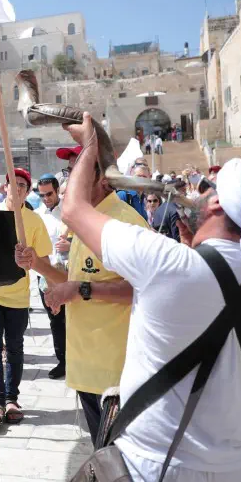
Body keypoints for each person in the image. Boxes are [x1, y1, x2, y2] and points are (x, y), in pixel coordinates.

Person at [60, 113, 241, 482]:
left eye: (208, 189)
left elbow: (73, 209)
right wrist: (195, 247)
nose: (199, 193)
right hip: (231, 474)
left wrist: (90, 146)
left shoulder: (167, 262)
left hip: (152, 471)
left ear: (216, 204)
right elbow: (213, 315)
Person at [43, 160, 149, 446]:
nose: (71, 182)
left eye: (80, 173)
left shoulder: (124, 222)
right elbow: (76, 280)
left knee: (118, 461)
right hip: (87, 368)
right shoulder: (86, 221)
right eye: (70, 173)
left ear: (102, 179)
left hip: (116, 375)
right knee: (104, 458)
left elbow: (144, 288)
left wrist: (82, 289)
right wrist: (39, 267)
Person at [0, 167, 64, 426]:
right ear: (5, 188)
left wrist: (52, 292)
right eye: (12, 183)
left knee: (15, 347)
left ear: (27, 191)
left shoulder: (34, 221)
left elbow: (44, 262)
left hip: (18, 295)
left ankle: (12, 399)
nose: (17, 188)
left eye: (22, 185)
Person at [35, 173, 68, 379]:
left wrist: (70, 245)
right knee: (55, 319)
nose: (46, 198)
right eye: (42, 195)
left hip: (69, 273)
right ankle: (63, 361)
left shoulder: (69, 211)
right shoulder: (37, 215)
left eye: (49, 194)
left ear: (57, 191)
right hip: (46, 275)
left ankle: (78, 359)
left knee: (72, 319)